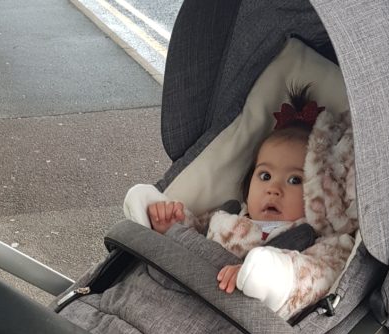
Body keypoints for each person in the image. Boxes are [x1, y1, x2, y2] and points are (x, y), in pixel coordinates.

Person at [144, 85, 356, 320]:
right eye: (265, 176)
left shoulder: (316, 240)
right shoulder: (231, 214)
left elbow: (319, 274)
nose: (273, 189)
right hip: (183, 291)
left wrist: (271, 275)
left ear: (319, 192)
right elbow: (196, 235)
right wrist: (174, 226)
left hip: (232, 319)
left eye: (295, 180)